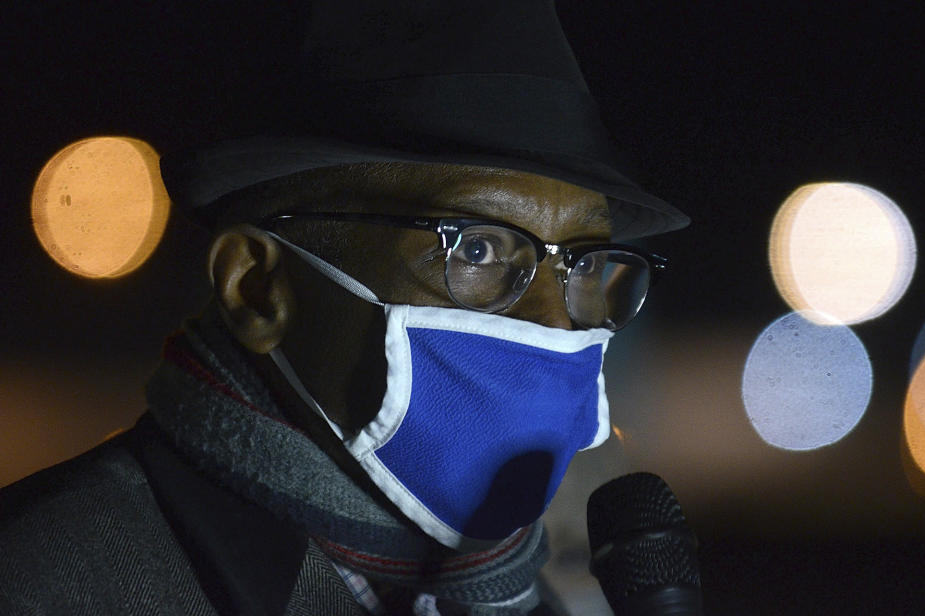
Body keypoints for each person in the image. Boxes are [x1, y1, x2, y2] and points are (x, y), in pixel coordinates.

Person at [0, 2, 688, 614]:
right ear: (258, 288)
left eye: (585, 262)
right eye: (477, 251)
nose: (553, 318)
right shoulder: (49, 581)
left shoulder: (548, 593)